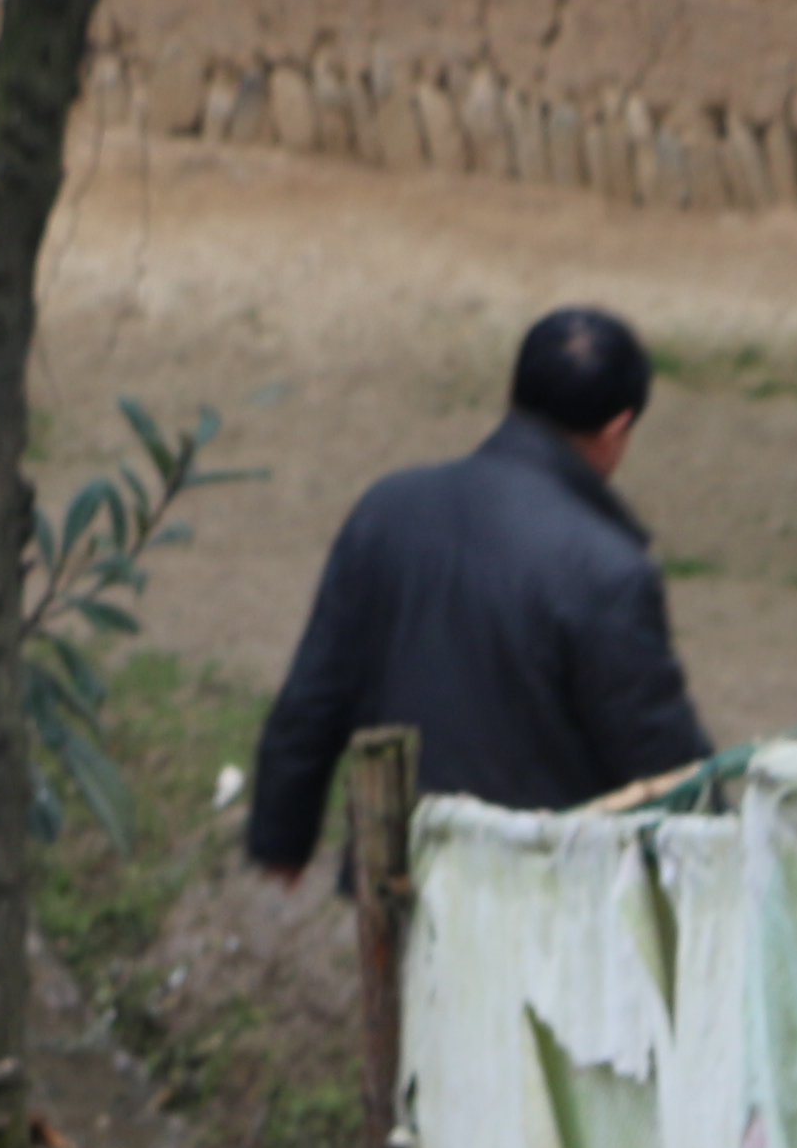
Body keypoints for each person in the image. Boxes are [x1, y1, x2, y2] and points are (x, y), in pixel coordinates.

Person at [243, 304, 710, 876]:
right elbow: (658, 759)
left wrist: (282, 839)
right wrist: (724, 858)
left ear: (514, 391)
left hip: (398, 874)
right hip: (540, 892)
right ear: (616, 431)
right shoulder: (608, 569)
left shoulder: (389, 508)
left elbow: (316, 691)